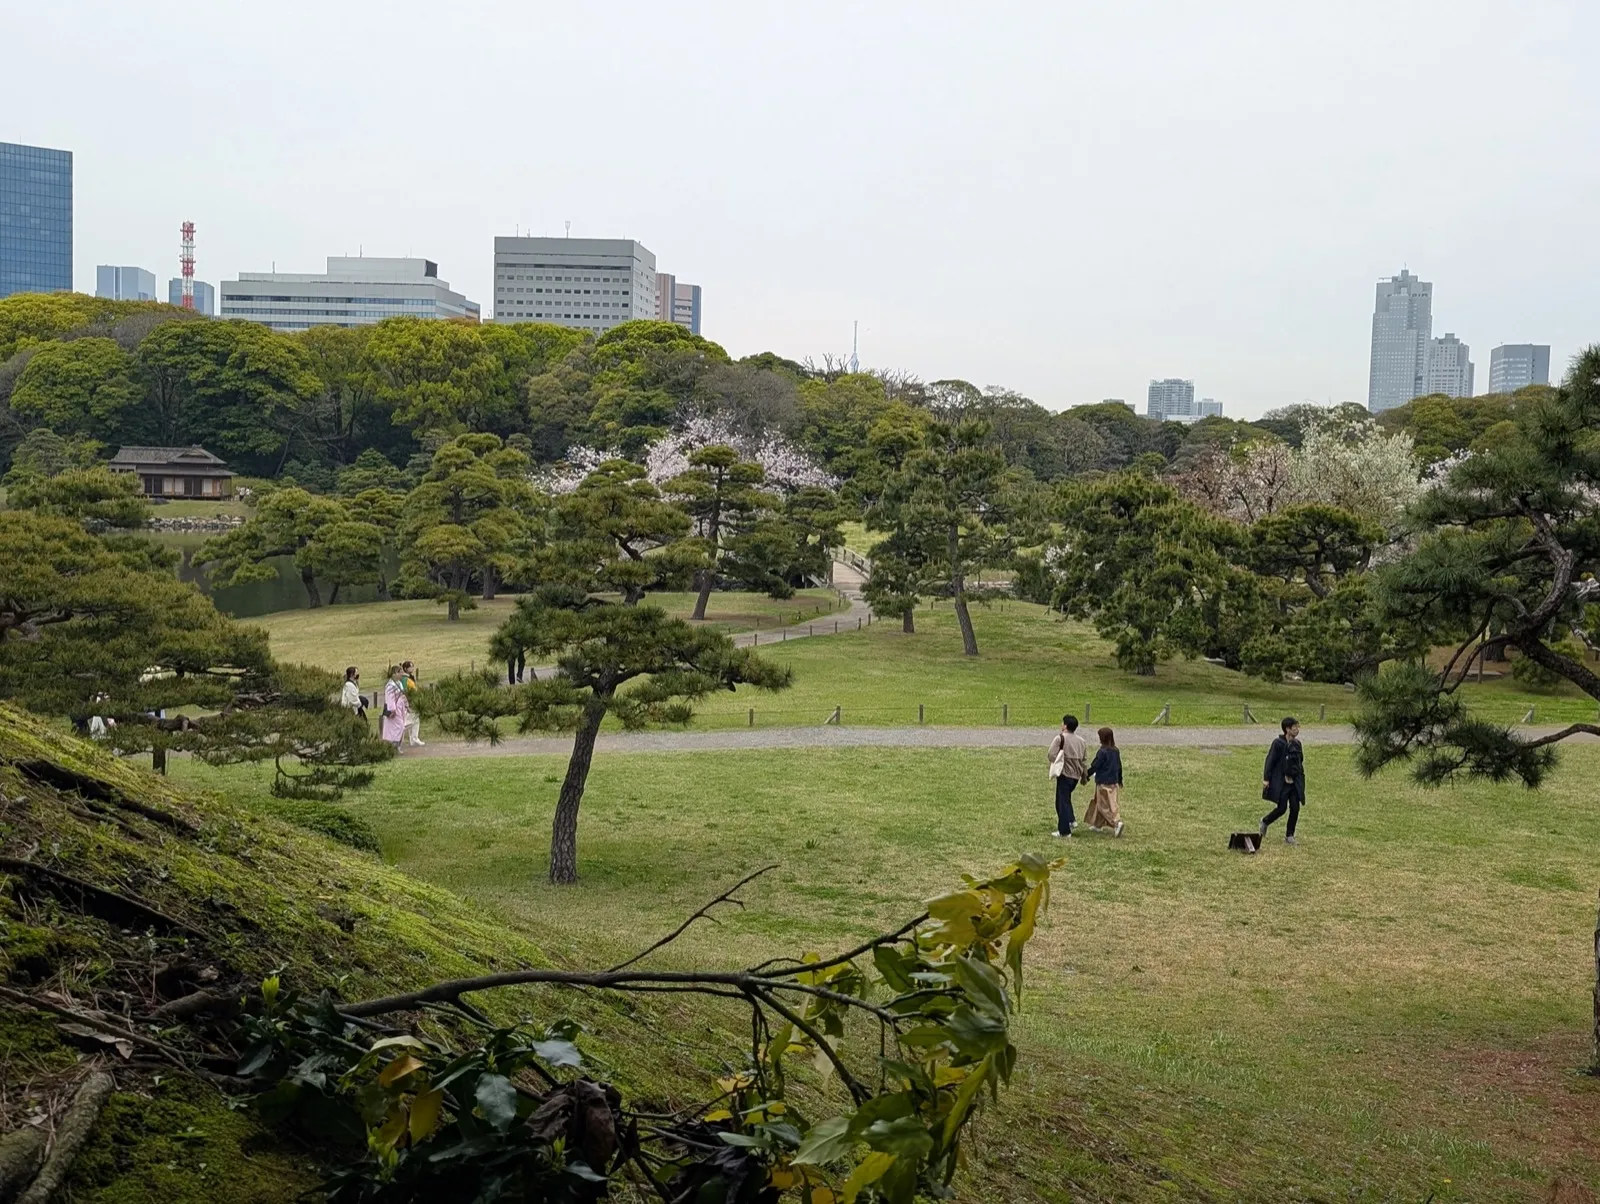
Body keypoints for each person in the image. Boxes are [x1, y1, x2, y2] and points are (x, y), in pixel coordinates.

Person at [1260, 716, 1304, 845]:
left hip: (1294, 781)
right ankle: (1265, 821)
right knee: (1282, 808)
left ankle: (1289, 835)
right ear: (1287, 729)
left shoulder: (1297, 744)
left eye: (1298, 727)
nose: (1297, 730)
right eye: (1294, 727)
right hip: (1282, 782)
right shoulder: (1278, 743)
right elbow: (1270, 761)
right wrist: (1266, 779)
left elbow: (1300, 760)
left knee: (1295, 807)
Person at [1047, 714, 1088, 837]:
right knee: (1065, 799)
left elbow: (1051, 754)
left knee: (1062, 802)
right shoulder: (1082, 741)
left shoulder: (1060, 738)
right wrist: (1084, 775)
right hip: (1076, 775)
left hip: (1064, 773)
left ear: (1065, 725)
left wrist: (1057, 761)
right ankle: (1070, 820)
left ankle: (1064, 831)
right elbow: (1084, 760)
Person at [1081, 727, 1125, 837]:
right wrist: (1120, 779)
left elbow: (1095, 766)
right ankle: (1097, 824)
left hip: (1103, 782)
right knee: (1099, 802)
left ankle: (1116, 823)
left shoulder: (1102, 752)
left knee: (1103, 805)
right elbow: (1119, 766)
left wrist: (1086, 776)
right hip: (1113, 781)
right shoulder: (1115, 750)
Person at [380, 665, 410, 752]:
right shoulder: (390, 686)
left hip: (401, 708)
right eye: (399, 672)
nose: (401, 674)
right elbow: (390, 698)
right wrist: (392, 710)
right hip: (394, 710)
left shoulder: (399, 683)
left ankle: (397, 746)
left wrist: (406, 705)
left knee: (401, 726)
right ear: (394, 674)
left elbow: (403, 695)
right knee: (398, 727)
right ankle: (394, 746)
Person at [400, 661, 425, 746]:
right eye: (410, 667)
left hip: (411, 700)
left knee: (415, 718)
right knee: (411, 720)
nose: (412, 669)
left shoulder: (409, 678)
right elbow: (406, 691)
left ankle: (413, 738)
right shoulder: (405, 679)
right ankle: (400, 731)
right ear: (405, 669)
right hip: (408, 701)